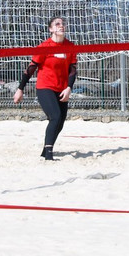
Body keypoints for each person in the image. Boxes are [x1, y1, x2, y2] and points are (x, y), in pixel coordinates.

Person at [13, 15, 77, 160]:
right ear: (51, 29)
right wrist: (20, 88)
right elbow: (30, 69)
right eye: (57, 24)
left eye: (63, 24)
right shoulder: (44, 47)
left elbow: (72, 70)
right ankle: (48, 154)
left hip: (62, 89)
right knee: (55, 116)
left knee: (60, 122)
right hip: (45, 87)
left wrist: (69, 88)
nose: (61, 26)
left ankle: (45, 150)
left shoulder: (70, 46)